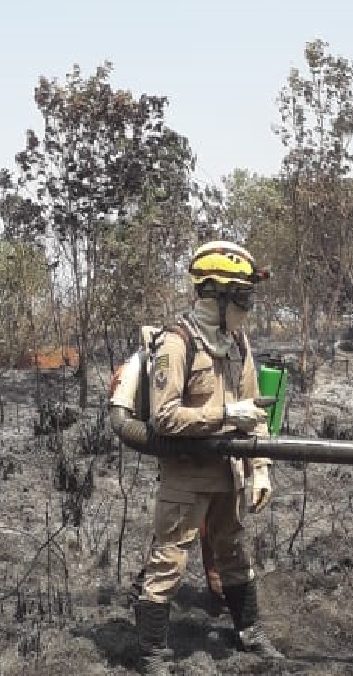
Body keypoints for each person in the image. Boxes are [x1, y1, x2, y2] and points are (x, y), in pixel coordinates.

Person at [131, 240, 283, 675]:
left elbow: (256, 410)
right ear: (214, 297)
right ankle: (151, 652)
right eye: (242, 298)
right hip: (186, 477)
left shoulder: (238, 344)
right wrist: (223, 414)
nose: (247, 308)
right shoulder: (177, 345)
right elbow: (164, 418)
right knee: (168, 561)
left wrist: (262, 470)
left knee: (234, 551)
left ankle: (249, 631)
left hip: (229, 472)